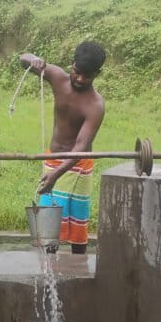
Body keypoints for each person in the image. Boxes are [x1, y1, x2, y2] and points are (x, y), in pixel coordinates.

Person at [20, 41, 106, 255]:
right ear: (72, 63)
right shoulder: (58, 77)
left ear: (97, 73)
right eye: (76, 72)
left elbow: (80, 147)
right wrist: (33, 59)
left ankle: (79, 268)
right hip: (54, 158)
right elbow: (23, 58)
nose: (79, 78)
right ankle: (48, 272)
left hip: (77, 163)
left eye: (86, 76)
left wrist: (57, 174)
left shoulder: (95, 105)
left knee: (78, 224)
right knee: (48, 223)